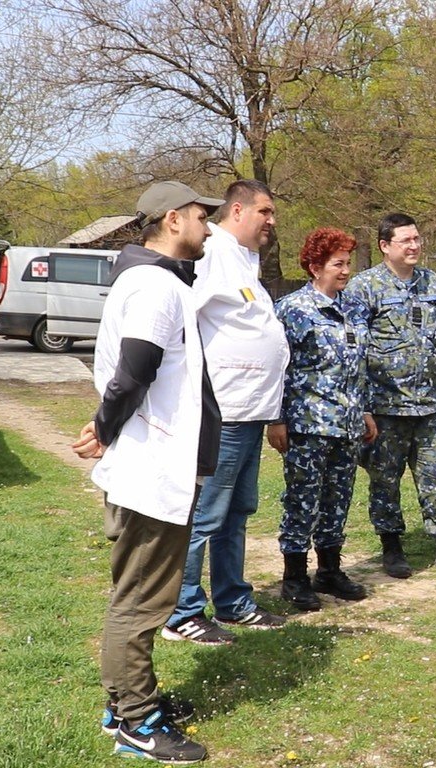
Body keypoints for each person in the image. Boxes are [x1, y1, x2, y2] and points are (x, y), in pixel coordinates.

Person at [71, 180, 224, 763]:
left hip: (153, 465)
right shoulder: (157, 286)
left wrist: (108, 425)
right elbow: (135, 369)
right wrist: (106, 427)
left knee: (136, 593)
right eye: (200, 216)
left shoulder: (151, 282)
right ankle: (135, 720)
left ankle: (128, 699)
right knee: (141, 601)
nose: (207, 226)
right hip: (153, 471)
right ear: (171, 219)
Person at [163, 179, 290, 646]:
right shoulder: (212, 252)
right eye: (266, 211)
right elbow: (181, 318)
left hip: (252, 410)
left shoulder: (244, 259)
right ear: (238, 210)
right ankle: (182, 611)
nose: (272, 221)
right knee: (207, 514)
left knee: (238, 510)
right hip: (226, 408)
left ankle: (234, 601)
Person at [344, 213, 436, 578]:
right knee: (385, 480)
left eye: (417, 239)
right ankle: (392, 547)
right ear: (384, 246)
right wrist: (360, 407)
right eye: (406, 240)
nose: (414, 246)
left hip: (427, 406)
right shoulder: (365, 287)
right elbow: (354, 350)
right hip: (385, 407)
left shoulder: (431, 282)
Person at [268, 228, 377, 611]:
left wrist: (364, 411)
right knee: (302, 502)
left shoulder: (354, 308)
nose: (346, 271)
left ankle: (329, 570)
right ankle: (294, 577)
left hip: (346, 425)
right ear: (315, 267)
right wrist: (276, 418)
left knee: (338, 501)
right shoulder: (292, 310)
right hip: (307, 425)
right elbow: (278, 367)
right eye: (338, 264)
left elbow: (359, 367)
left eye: (348, 263)